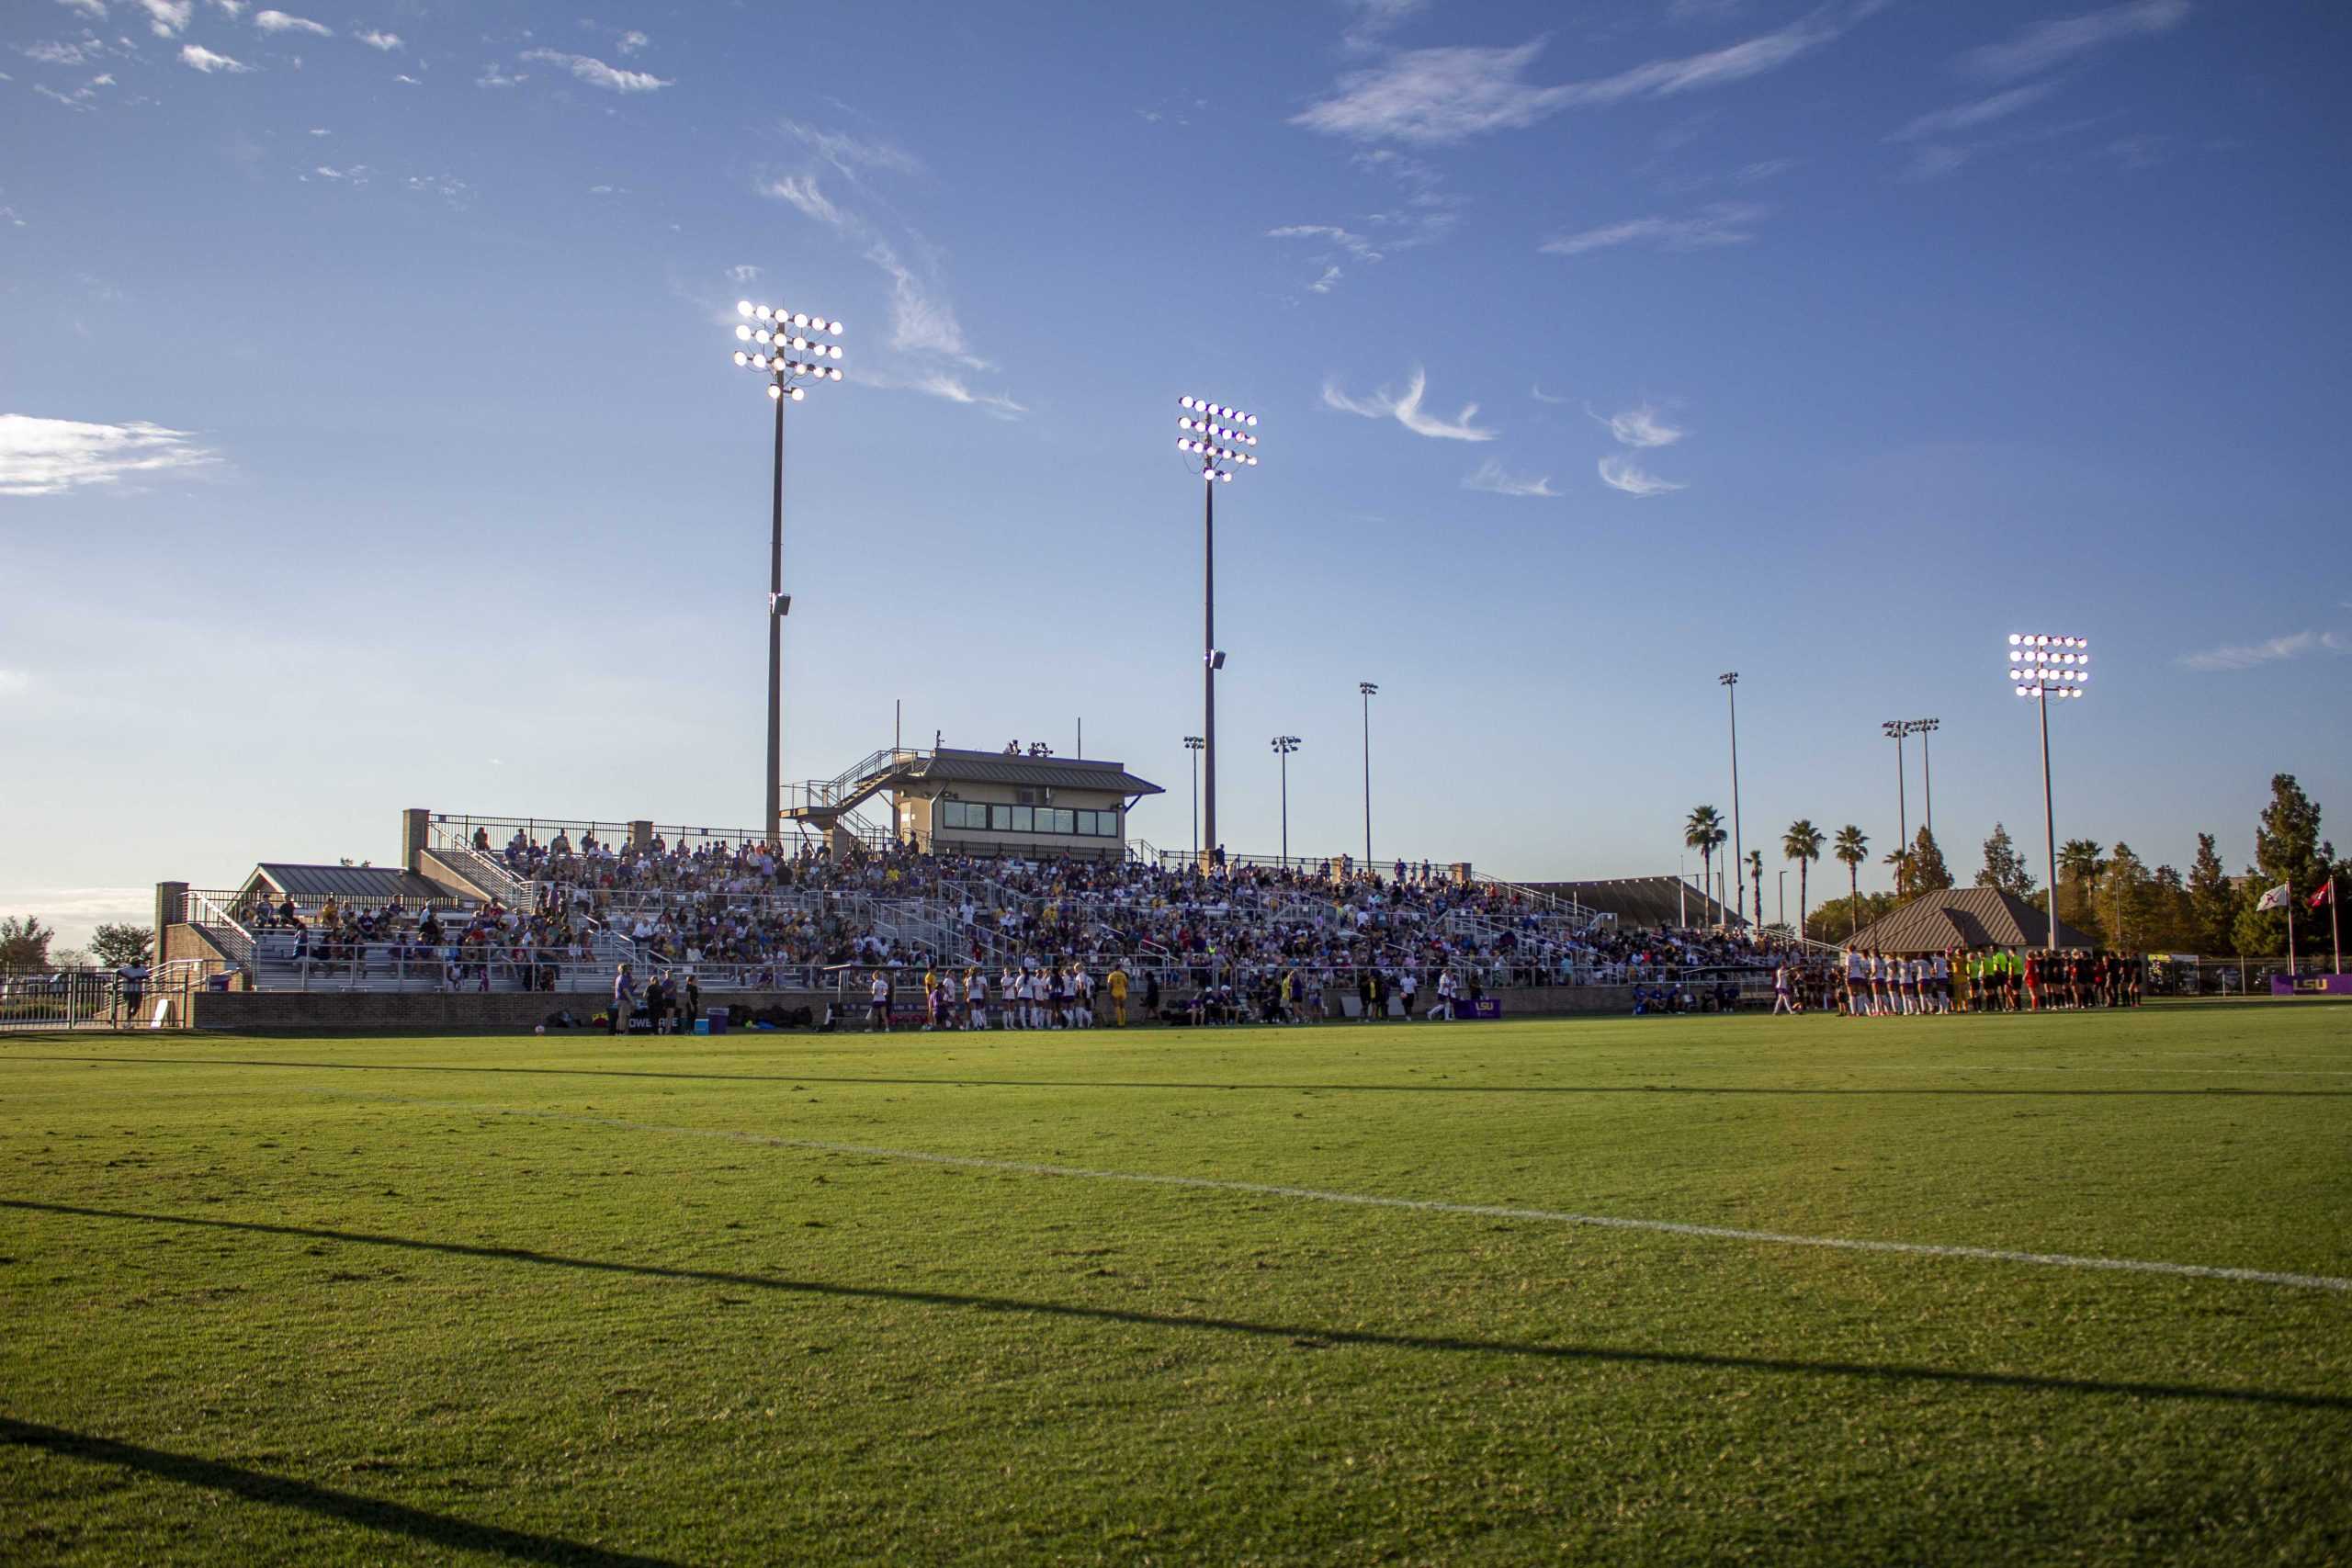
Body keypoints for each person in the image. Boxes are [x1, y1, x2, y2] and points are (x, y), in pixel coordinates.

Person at [608, 962, 636, 1035]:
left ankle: (617, 1032)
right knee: (622, 1017)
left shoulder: (618, 977)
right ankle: (621, 1033)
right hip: (623, 1000)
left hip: (619, 999)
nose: (630, 970)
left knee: (619, 1017)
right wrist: (632, 1000)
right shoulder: (623, 978)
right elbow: (625, 990)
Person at [868, 968, 892, 1032]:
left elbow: (874, 993)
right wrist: (882, 992)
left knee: (872, 1015)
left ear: (876, 976)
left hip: (876, 1001)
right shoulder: (885, 983)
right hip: (883, 1001)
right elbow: (886, 993)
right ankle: (887, 1028)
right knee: (884, 1016)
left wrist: (871, 991)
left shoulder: (875, 983)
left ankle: (871, 1028)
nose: (873, 977)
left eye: (873, 975)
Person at [1107, 963, 1129, 1028]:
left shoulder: (1111, 975)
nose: (1122, 969)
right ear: (1119, 968)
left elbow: (1109, 985)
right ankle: (1123, 1023)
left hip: (1115, 992)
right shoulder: (1123, 975)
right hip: (1122, 992)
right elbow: (1126, 984)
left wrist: (1109, 993)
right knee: (1122, 1007)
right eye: (1121, 967)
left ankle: (1119, 1023)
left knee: (1117, 1007)